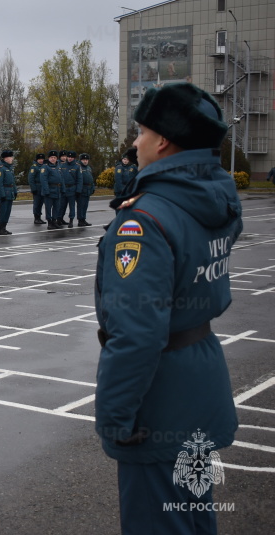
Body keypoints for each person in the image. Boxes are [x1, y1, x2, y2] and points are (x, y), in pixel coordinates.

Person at [95, 83, 242, 535]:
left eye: (140, 132)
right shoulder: (212, 200)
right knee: (193, 516)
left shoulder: (145, 220)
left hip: (160, 399)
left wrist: (116, 419)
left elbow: (138, 335)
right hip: (200, 380)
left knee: (158, 521)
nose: (134, 143)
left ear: (163, 140)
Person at [0, 150, 17, 235]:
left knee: (8, 211)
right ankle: (1, 228)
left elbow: (13, 182)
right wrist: (2, 194)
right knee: (3, 211)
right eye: (10, 157)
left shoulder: (10, 168)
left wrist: (15, 191)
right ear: (6, 158)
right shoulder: (1, 169)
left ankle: (4, 227)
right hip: (5, 192)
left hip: (10, 192)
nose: (12, 159)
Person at [39, 150, 63, 230]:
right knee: (48, 207)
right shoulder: (45, 167)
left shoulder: (58, 166)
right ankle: (49, 222)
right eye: (51, 157)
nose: (53, 159)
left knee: (57, 207)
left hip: (57, 189)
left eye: (55, 157)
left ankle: (54, 221)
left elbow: (61, 178)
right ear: (49, 158)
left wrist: (63, 189)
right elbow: (43, 179)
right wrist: (46, 190)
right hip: (49, 189)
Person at [75, 153, 94, 226]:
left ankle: (83, 219)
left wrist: (92, 188)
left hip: (88, 189)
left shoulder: (88, 168)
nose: (85, 161)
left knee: (85, 205)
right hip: (82, 189)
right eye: (83, 160)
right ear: (81, 160)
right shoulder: (79, 167)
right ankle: (80, 220)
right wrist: (78, 190)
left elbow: (91, 179)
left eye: (86, 160)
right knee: (81, 205)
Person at [28, 153, 46, 225]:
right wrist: (33, 188)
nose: (41, 160)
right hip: (37, 187)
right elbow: (31, 179)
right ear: (37, 160)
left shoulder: (44, 166)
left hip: (43, 187)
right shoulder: (34, 167)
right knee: (37, 203)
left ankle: (39, 217)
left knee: (41, 203)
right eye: (39, 159)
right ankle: (36, 218)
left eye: (42, 159)